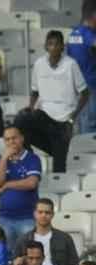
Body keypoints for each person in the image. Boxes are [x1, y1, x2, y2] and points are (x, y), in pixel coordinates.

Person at [17, 30, 88, 175]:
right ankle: (28, 156)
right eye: (50, 44)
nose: (53, 47)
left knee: (59, 167)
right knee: (21, 120)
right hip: (44, 114)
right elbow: (35, 91)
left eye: (57, 44)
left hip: (63, 121)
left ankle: (57, 153)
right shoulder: (39, 64)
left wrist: (72, 119)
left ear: (63, 47)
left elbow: (86, 93)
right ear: (45, 46)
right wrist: (31, 107)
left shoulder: (71, 64)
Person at [11, 199, 80, 265]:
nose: (43, 215)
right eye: (40, 212)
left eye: (47, 212)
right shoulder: (23, 240)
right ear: (35, 214)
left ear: (52, 215)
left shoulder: (65, 238)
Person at [0, 127, 42, 244]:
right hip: (4, 217)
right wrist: (4, 159)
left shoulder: (32, 158)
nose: (11, 142)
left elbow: (32, 183)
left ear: (21, 138)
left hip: (28, 218)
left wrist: (7, 185)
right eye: (7, 139)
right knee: (4, 254)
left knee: (28, 254)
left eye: (14, 138)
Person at [69, 3, 96, 135]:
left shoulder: (73, 34)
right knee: (90, 128)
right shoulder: (89, 34)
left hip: (79, 88)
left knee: (83, 126)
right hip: (91, 87)